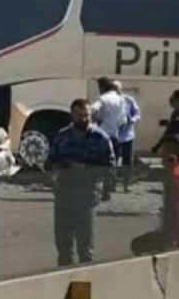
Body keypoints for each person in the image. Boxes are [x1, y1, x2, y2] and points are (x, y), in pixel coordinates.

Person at [47, 99, 114, 266]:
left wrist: (87, 168)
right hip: (64, 196)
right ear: (72, 114)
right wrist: (60, 168)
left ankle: (82, 291)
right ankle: (64, 286)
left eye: (87, 116)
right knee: (64, 248)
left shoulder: (100, 137)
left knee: (85, 249)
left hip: (87, 197)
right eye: (80, 115)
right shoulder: (62, 136)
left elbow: (110, 168)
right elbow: (49, 162)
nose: (83, 119)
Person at [132, 135, 179, 254]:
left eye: (162, 154)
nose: (161, 159)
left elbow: (174, 212)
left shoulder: (175, 176)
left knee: (137, 244)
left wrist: (169, 240)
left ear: (170, 156)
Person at [91, 77, 126, 199]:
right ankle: (108, 191)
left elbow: (92, 109)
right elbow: (123, 120)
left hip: (102, 135)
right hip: (114, 136)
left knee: (97, 164)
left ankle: (96, 190)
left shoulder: (103, 99)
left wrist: (97, 120)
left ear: (102, 87)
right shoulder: (121, 100)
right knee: (111, 165)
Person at [152, 89, 179, 161]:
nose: (170, 101)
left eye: (172, 99)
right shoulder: (175, 112)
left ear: (178, 100)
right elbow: (171, 128)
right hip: (172, 143)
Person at [115, 81, 141, 192]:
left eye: (117, 89)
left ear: (120, 89)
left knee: (128, 161)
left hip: (127, 136)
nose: (115, 91)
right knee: (113, 160)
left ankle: (126, 184)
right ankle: (112, 185)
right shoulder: (108, 101)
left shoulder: (128, 100)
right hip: (114, 136)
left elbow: (137, 113)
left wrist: (132, 120)